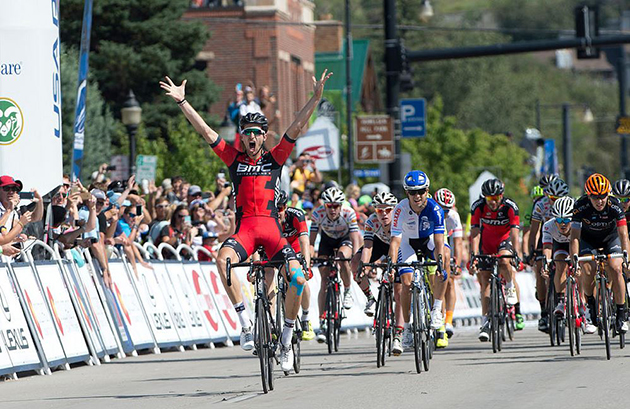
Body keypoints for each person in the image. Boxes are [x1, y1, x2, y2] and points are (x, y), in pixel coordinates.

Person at [160, 69, 332, 372]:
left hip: (272, 231)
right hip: (246, 232)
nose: (251, 137)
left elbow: (296, 125)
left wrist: (315, 98)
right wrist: (183, 102)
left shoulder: (275, 157)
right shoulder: (233, 159)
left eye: (256, 133)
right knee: (222, 260)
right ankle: (245, 324)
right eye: (247, 133)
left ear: (264, 137)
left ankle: (288, 340)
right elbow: (204, 131)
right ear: (242, 137)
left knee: (298, 279)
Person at [388, 171, 451, 353]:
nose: (417, 196)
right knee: (406, 284)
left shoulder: (435, 209)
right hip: (407, 243)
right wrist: (391, 266)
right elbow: (395, 242)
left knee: (445, 256)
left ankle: (437, 308)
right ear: (406, 193)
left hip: (429, 241)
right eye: (412, 192)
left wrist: (439, 263)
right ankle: (407, 328)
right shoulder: (399, 209)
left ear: (427, 191)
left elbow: (439, 241)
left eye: (421, 191)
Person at [571, 173, 629, 334]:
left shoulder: (615, 205)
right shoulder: (580, 206)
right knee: (588, 269)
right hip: (587, 240)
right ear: (588, 195)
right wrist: (575, 259)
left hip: (611, 239)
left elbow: (623, 234)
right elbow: (574, 237)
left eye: (603, 196)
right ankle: (590, 303)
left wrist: (626, 258)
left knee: (616, 268)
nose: (600, 200)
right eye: (595, 197)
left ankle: (621, 313)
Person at [470, 178, 522, 342]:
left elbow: (514, 233)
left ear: (502, 196)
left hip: (504, 241)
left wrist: (516, 253)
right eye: (489, 199)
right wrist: (473, 255)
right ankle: (485, 322)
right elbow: (475, 233)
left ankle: (509, 286)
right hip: (486, 243)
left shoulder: (510, 207)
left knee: (505, 261)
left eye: (496, 198)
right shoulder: (478, 206)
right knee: (485, 281)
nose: (493, 202)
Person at [309, 187, 361, 343]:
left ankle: (347, 289)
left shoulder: (348, 213)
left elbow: (355, 240)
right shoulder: (317, 214)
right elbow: (311, 242)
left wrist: (356, 258)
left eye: (336, 206)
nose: (333, 209)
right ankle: (322, 321)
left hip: (344, 239)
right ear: (324, 205)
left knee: (342, 257)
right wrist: (310, 257)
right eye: (329, 206)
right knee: (324, 281)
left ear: (341, 205)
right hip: (326, 240)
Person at [349, 192, 400, 349]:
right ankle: (370, 298)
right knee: (355, 263)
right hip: (379, 243)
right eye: (379, 210)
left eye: (387, 210)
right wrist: (363, 266)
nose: (384, 214)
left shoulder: (400, 219)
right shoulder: (371, 222)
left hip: (398, 245)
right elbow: (368, 247)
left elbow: (397, 246)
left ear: (394, 209)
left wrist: (389, 264)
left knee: (399, 288)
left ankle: (400, 331)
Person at [527, 178, 570, 333]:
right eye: (552, 199)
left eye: (558, 199)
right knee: (540, 270)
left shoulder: (571, 205)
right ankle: (544, 312)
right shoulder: (540, 205)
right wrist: (531, 251)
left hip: (566, 239)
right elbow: (533, 231)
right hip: (546, 237)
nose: (554, 202)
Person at [276, 191, 315, 341]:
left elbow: (305, 241)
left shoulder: (296, 215)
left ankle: (305, 317)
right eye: (274, 209)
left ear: (286, 206)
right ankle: (271, 322)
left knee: (300, 278)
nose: (277, 212)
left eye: (280, 208)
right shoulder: (269, 217)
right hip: (276, 249)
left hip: (295, 247)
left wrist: (307, 266)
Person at [434, 188, 466, 344]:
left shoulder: (453, 216)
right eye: (442, 209)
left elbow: (458, 243)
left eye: (448, 210)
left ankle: (448, 321)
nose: (445, 213)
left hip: (447, 246)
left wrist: (458, 264)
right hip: (432, 245)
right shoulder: (431, 212)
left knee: (450, 280)